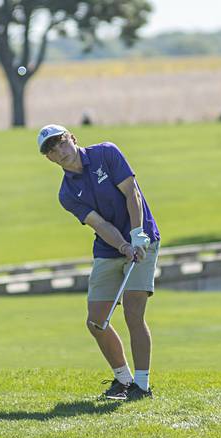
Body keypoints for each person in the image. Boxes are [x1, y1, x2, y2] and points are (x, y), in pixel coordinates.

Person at [37, 124, 160, 401]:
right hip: (109, 248)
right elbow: (100, 224)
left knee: (133, 313)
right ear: (50, 159)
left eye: (61, 142)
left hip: (144, 238)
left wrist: (137, 235)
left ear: (73, 138)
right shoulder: (67, 194)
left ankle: (142, 387)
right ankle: (123, 381)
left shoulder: (107, 153)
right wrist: (123, 246)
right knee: (96, 322)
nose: (59, 151)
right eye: (52, 150)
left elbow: (132, 193)